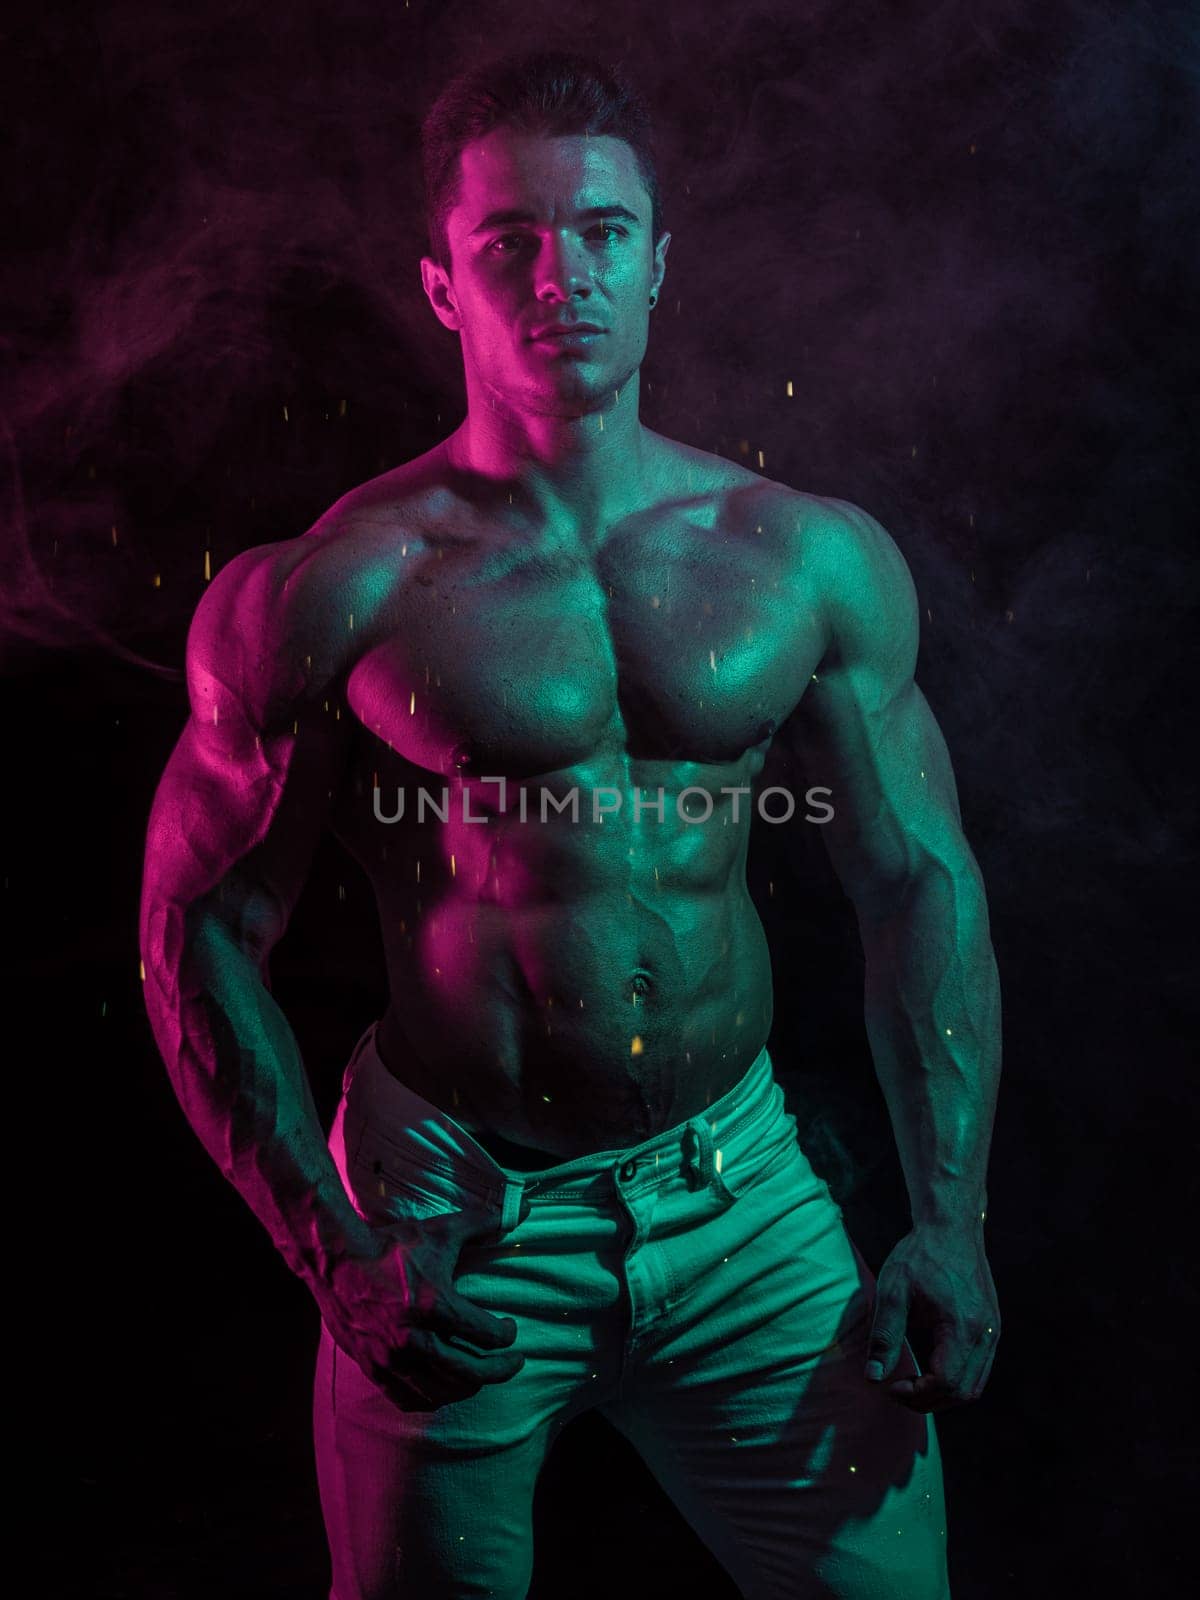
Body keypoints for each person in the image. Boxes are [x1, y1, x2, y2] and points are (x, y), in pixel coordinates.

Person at [139, 48, 1001, 1600]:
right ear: (442, 286)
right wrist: (335, 1250)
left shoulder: (800, 558)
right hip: (453, 1224)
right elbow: (199, 927)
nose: (563, 275)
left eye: (603, 233)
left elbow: (917, 882)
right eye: (509, 243)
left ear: (660, 263)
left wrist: (949, 1224)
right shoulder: (340, 589)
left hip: (740, 1204)